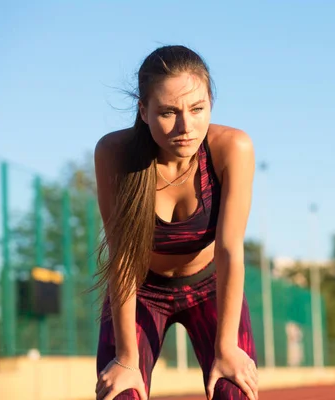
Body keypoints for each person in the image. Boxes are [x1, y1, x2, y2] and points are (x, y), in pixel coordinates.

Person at [92, 45, 258, 400]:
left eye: (197, 109)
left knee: (234, 390)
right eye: (168, 112)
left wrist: (226, 348)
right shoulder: (114, 154)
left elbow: (229, 250)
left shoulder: (233, 148)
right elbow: (121, 258)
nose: (186, 126)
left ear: (210, 102)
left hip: (211, 287)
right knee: (121, 394)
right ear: (143, 110)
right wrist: (125, 358)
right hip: (140, 291)